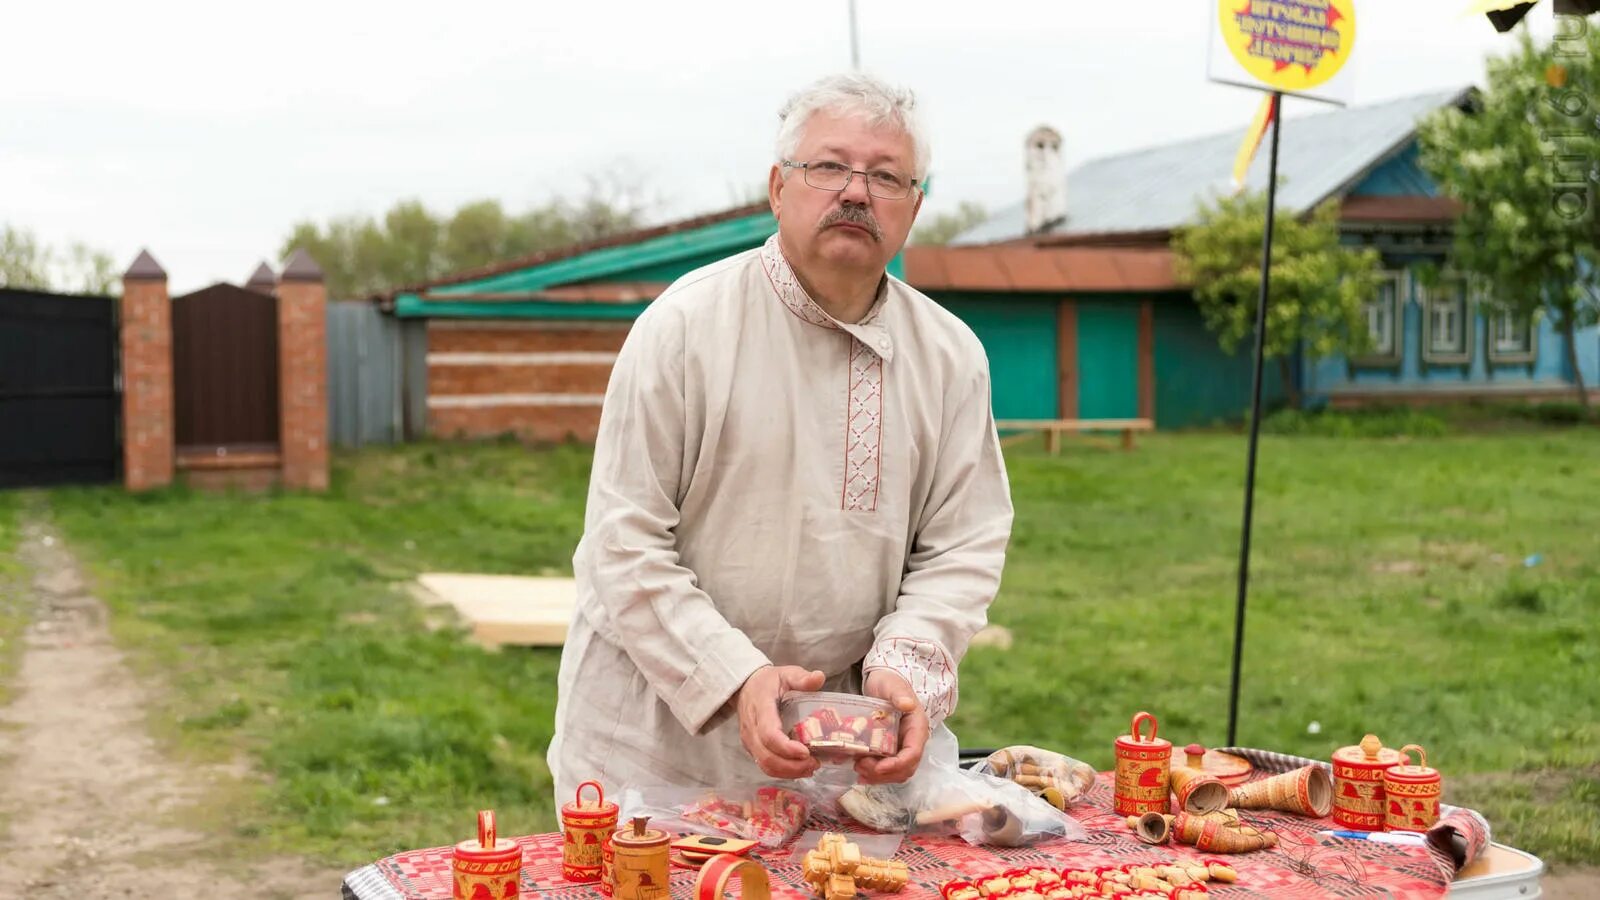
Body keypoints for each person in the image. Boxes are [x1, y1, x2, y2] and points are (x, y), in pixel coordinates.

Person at [548, 72, 1013, 804]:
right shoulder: (685, 328)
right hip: (659, 751)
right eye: (829, 166)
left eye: (887, 176)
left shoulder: (951, 357)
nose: (856, 192)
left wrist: (907, 666)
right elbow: (623, 541)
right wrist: (736, 679)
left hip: (847, 748)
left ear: (915, 207)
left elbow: (963, 543)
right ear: (776, 187)